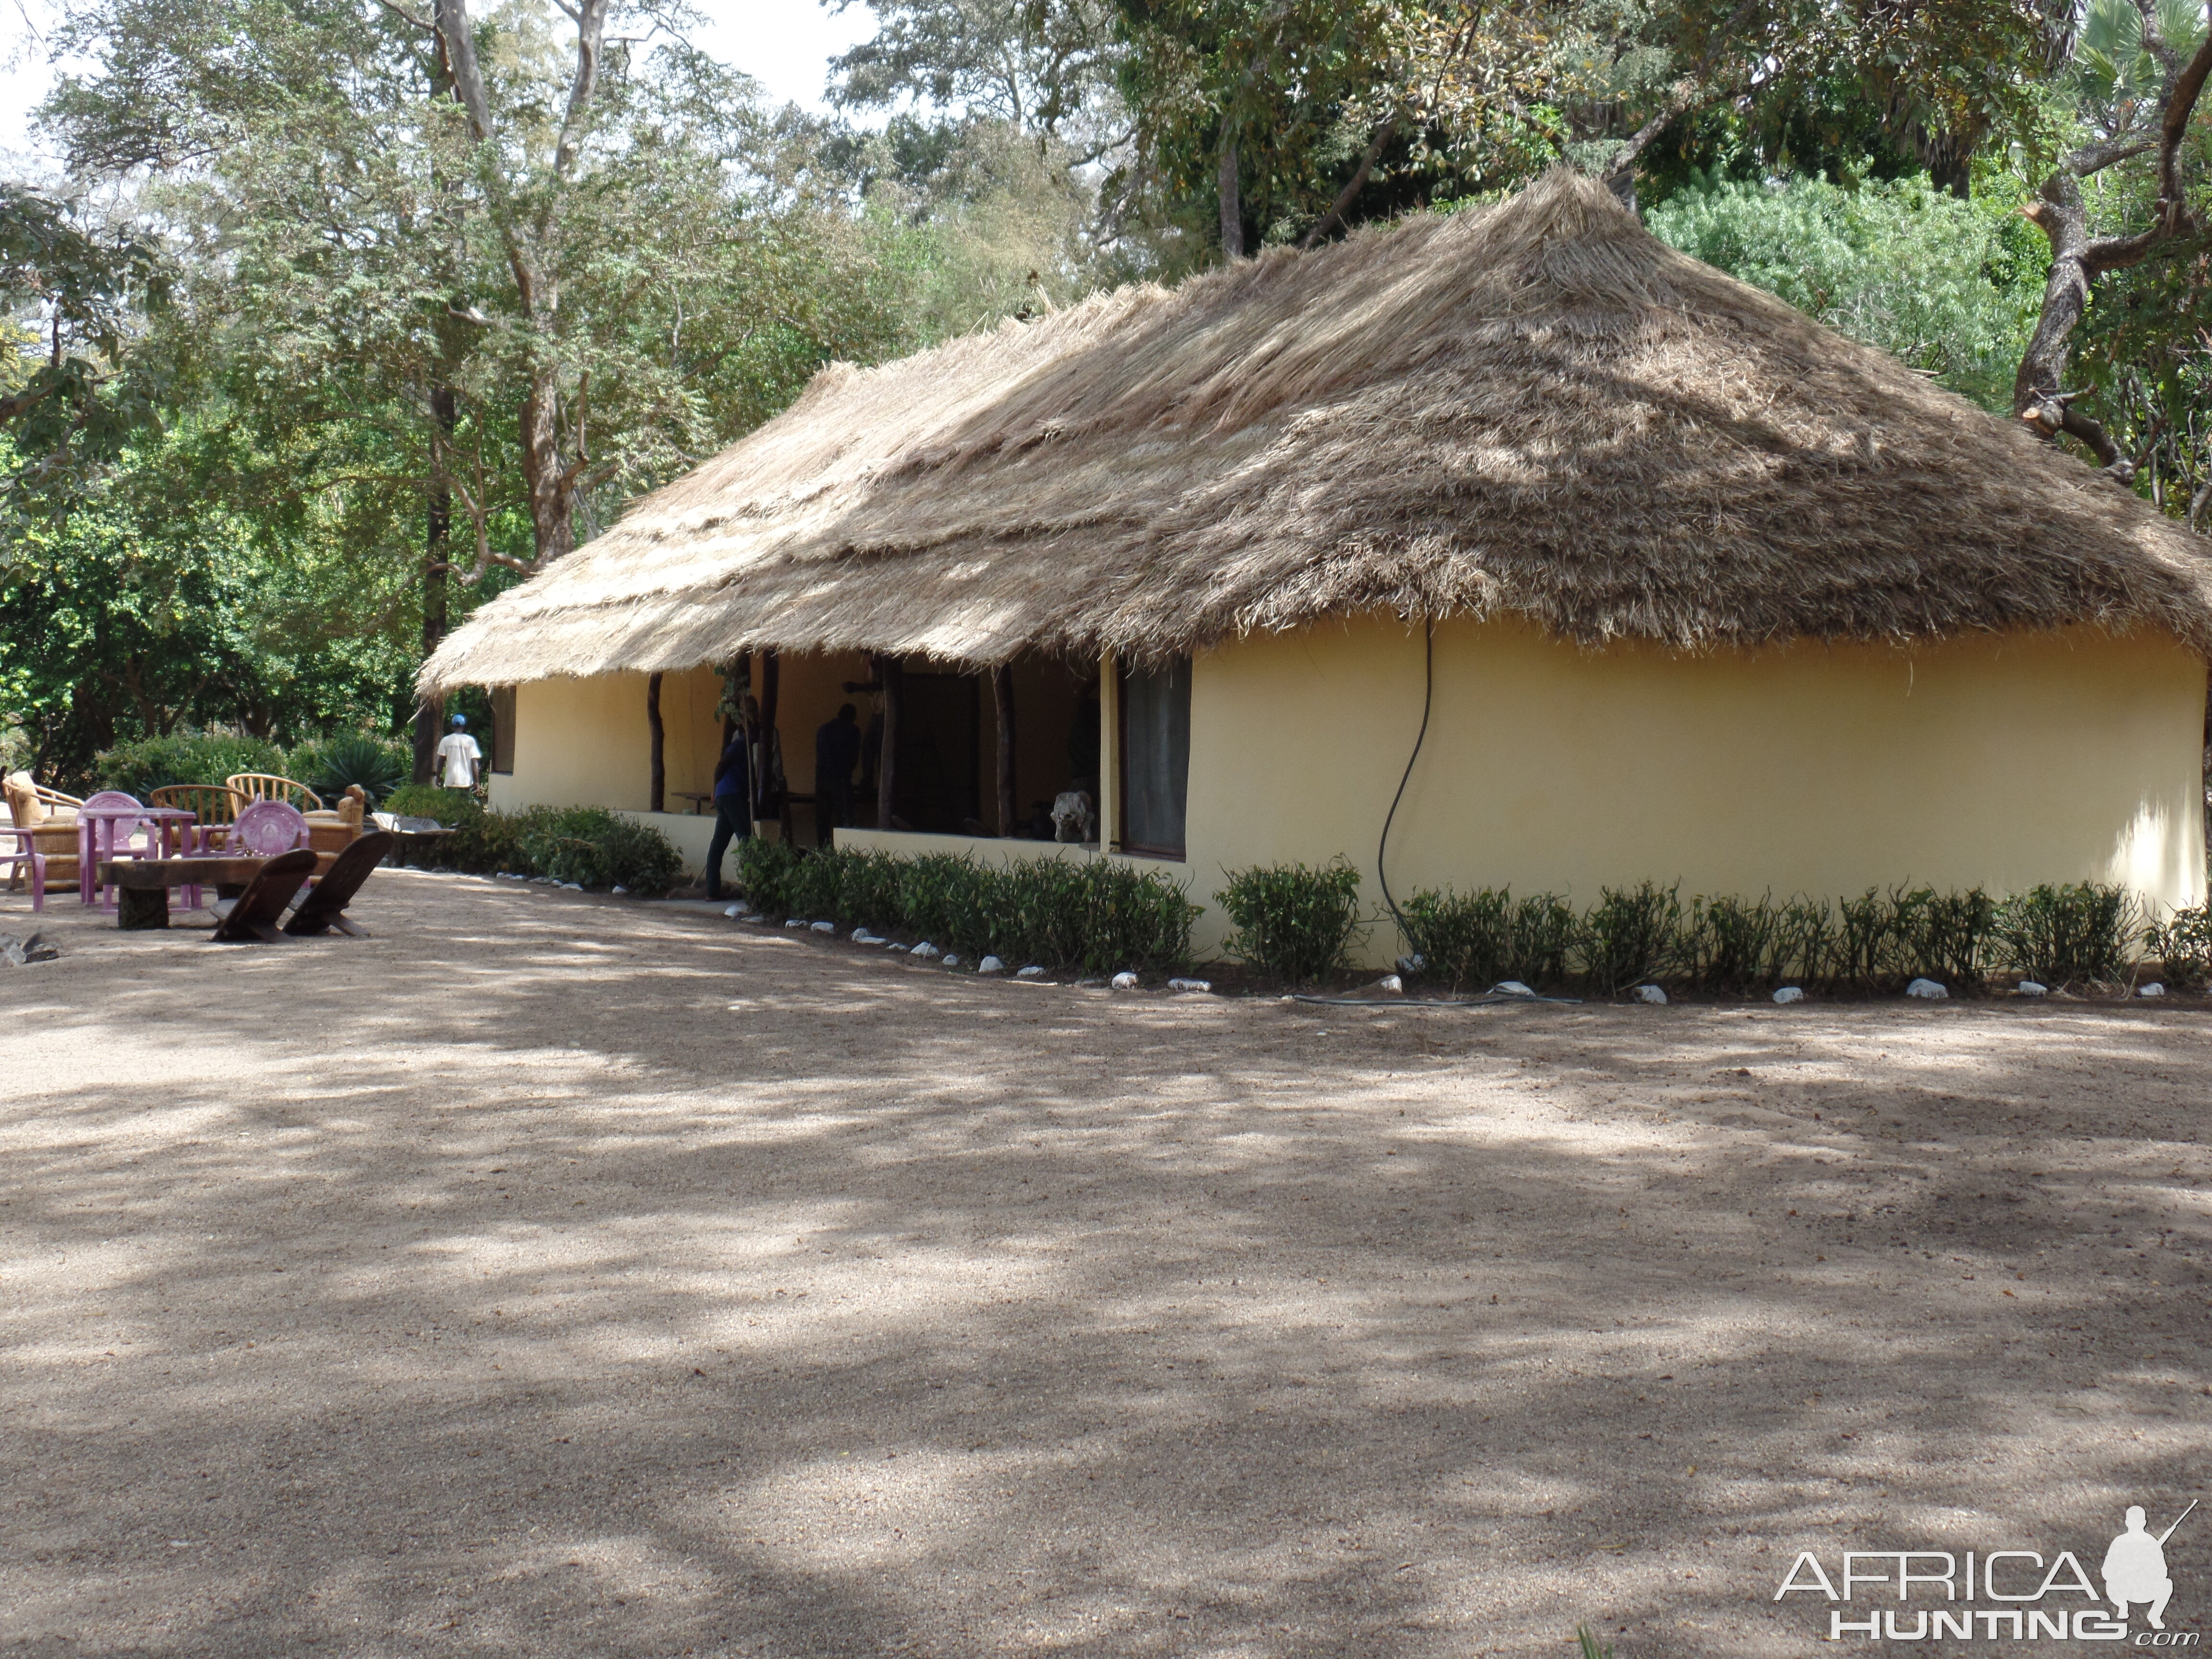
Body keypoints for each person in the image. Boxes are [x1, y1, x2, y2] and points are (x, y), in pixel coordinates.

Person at [2103, 1505, 2176, 1629]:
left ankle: (2154, 1616)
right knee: (2111, 1583)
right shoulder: (2119, 1542)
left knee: (2167, 1584)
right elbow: (2107, 1572)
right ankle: (2122, 1606)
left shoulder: (2151, 1543)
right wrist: (2126, 1571)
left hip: (2144, 1590)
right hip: (2124, 1590)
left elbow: (2163, 1572)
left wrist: (2147, 1569)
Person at [705, 726, 752, 902]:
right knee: (748, 840)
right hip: (732, 795)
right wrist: (714, 789)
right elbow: (721, 766)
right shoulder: (740, 745)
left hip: (725, 796)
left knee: (718, 844)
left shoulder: (743, 746)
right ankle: (756, 890)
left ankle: (712, 891)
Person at [815, 703, 861, 845]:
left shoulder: (823, 730)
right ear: (853, 718)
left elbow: (820, 755)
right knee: (845, 821)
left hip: (822, 780)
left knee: (823, 821)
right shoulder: (853, 731)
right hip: (841, 781)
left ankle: (823, 853)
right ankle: (844, 854)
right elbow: (853, 759)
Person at [434, 714, 483, 792]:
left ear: (452, 727)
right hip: (466, 782)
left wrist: (438, 776)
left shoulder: (446, 740)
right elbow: (474, 762)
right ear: (464, 727)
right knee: (463, 804)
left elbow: (441, 760)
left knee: (451, 804)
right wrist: (477, 781)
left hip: (451, 782)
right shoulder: (470, 741)